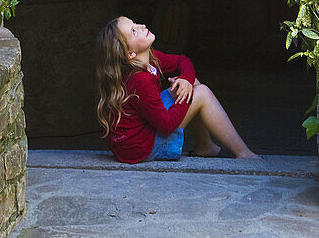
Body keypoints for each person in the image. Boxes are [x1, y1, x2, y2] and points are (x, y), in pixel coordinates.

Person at [95, 16, 258, 164]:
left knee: (192, 82)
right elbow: (166, 125)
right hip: (143, 148)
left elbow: (182, 60)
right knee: (202, 93)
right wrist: (185, 96)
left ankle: (205, 146)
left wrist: (186, 81)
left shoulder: (149, 58)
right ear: (130, 53)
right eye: (134, 30)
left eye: (135, 23)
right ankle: (244, 154)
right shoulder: (140, 80)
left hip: (139, 137)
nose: (142, 25)